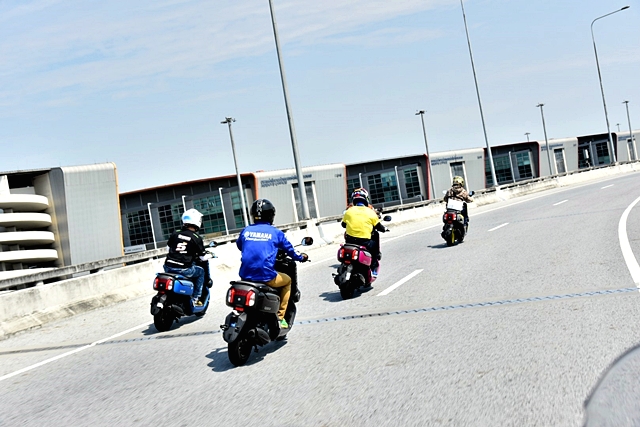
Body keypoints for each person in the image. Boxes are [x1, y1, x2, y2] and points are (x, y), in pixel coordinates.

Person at [236, 199, 308, 329]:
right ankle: (280, 317)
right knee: (287, 281)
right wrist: (301, 257)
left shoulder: (246, 231)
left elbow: (240, 246)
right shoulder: (275, 233)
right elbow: (290, 250)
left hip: (245, 276)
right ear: (271, 215)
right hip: (265, 276)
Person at [163, 209, 211, 307]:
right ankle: (196, 298)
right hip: (183, 269)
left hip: (168, 267)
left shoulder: (176, 233)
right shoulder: (196, 237)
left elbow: (168, 248)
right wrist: (211, 255)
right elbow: (203, 257)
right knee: (201, 272)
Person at [341, 189, 388, 277]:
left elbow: (343, 224)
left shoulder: (349, 211)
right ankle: (373, 266)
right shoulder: (370, 211)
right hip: (364, 241)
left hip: (350, 240)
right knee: (374, 249)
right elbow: (378, 226)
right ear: (366, 199)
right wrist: (385, 229)